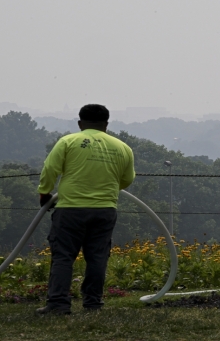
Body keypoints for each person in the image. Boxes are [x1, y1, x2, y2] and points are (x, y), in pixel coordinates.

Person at [36, 104, 135, 315]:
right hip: (105, 210)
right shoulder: (122, 147)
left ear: (80, 123)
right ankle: (93, 303)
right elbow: (127, 179)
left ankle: (58, 304)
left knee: (63, 256)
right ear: (106, 125)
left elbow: (50, 169)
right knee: (98, 256)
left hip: (70, 209)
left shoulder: (68, 141)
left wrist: (45, 194)